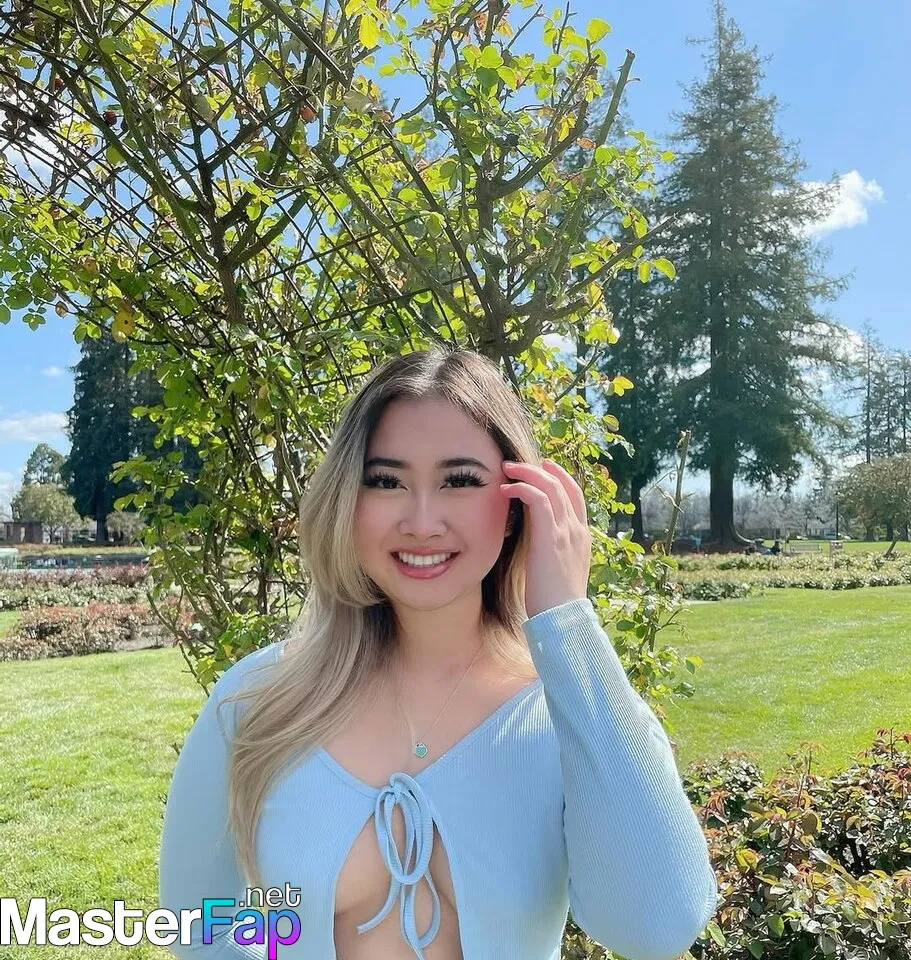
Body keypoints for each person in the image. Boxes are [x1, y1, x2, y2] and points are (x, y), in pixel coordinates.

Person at [158, 345, 718, 960]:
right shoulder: (258, 700)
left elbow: (657, 926)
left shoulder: (571, 711)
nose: (422, 522)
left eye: (459, 481)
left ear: (516, 507)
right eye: (386, 481)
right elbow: (199, 927)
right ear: (348, 499)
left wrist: (567, 623)